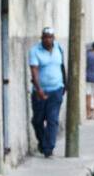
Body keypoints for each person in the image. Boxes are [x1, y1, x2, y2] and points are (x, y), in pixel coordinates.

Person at [28, 29, 67, 157]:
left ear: (53, 38)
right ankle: (43, 142)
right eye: (45, 37)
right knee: (37, 121)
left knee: (52, 119)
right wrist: (39, 90)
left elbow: (61, 67)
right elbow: (34, 70)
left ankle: (49, 148)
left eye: (50, 37)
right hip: (40, 91)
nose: (48, 40)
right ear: (42, 38)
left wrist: (65, 85)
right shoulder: (35, 51)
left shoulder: (58, 49)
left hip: (56, 89)